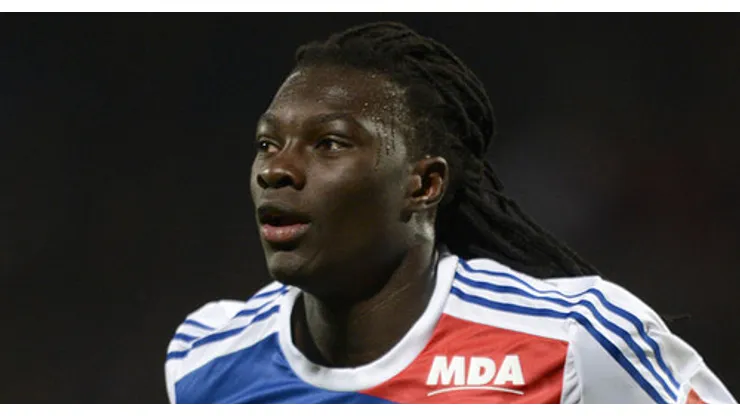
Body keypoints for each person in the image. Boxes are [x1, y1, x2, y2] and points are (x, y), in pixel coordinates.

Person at [164, 21, 736, 404]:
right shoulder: (206, 359)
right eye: (267, 143)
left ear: (424, 184)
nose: (276, 169)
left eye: (329, 143)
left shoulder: (568, 337)